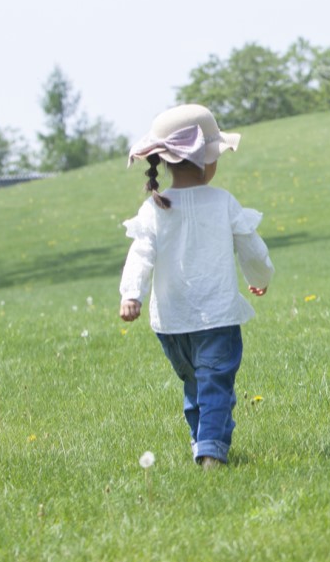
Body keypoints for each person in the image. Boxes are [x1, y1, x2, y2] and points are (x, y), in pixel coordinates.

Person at [119, 104, 273, 467]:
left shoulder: (155, 206)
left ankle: (201, 441)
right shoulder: (222, 201)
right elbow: (252, 249)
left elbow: (140, 254)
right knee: (215, 384)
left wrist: (131, 295)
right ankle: (210, 451)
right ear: (207, 161)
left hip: (172, 323)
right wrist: (260, 279)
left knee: (196, 386)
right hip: (216, 316)